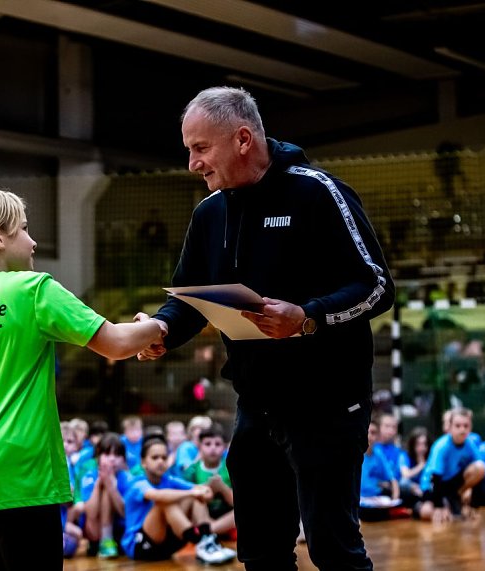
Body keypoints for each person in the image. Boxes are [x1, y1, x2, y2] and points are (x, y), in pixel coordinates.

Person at [136, 86, 394, 570]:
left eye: (200, 148)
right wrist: (160, 328)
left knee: (333, 549)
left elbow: (376, 286)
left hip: (328, 402)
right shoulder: (209, 213)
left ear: (242, 139)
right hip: (256, 405)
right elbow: (188, 300)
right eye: (188, 149)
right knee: (260, 553)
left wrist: (308, 316)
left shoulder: (317, 192)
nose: (192, 164)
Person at [0, 186, 165, 570]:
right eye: (24, 229)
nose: (33, 241)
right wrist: (159, 325)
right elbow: (116, 343)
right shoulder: (32, 289)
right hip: (20, 476)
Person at [120, 435, 235, 565]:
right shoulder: (137, 483)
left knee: (194, 497)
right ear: (143, 462)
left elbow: (202, 491)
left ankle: (205, 540)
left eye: (164, 457)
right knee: (165, 502)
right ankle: (200, 541)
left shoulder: (169, 479)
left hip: (168, 544)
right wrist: (193, 492)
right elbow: (158, 495)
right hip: (139, 546)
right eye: (155, 457)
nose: (160, 461)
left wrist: (205, 491)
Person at [416, 408, 485, 522]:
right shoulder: (441, 446)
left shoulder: (470, 444)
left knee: (480, 467)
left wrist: (474, 505)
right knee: (427, 512)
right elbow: (435, 478)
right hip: (432, 486)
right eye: (457, 426)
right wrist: (438, 506)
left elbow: (480, 473)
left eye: (466, 426)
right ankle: (423, 506)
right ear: (450, 427)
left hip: (452, 485)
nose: (462, 430)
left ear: (470, 428)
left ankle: (456, 500)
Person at [75, 432, 132, 559]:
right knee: (103, 488)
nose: (112, 459)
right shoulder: (89, 476)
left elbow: (126, 513)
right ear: (98, 457)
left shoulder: (127, 478)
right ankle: (105, 541)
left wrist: (112, 488)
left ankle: (108, 539)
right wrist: (98, 484)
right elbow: (91, 513)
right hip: (95, 533)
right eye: (107, 454)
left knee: (108, 489)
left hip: (120, 532)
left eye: (117, 455)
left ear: (123, 459)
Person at [181, 424, 235, 537]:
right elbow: (186, 503)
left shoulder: (232, 466)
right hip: (201, 517)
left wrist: (222, 488)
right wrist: (207, 488)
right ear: (199, 447)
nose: (213, 448)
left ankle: (208, 531)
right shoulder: (191, 471)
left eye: (218, 444)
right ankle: (209, 532)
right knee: (196, 498)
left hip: (227, 519)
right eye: (207, 444)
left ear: (225, 447)